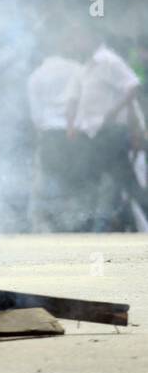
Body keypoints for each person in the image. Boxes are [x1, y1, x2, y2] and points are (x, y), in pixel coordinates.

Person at [65, 27, 146, 231]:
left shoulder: (108, 61)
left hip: (111, 133)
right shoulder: (85, 67)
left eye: (78, 39)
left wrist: (113, 111)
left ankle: (97, 226)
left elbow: (132, 86)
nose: (75, 44)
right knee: (113, 181)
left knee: (121, 181)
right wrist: (72, 125)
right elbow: (74, 99)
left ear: (92, 38)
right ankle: (96, 225)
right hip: (93, 135)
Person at [27, 40, 82, 231]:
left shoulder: (36, 76)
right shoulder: (77, 69)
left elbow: (36, 117)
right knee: (75, 181)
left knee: (51, 180)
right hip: (74, 132)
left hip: (50, 134)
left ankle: (54, 225)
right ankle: (76, 224)